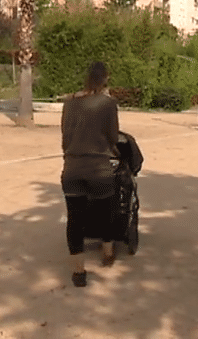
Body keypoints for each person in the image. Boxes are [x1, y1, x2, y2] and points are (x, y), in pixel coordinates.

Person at [61, 61, 119, 287]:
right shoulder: (108, 104)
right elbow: (113, 136)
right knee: (106, 210)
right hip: (98, 168)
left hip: (72, 168)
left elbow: (65, 136)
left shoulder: (69, 103)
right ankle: (107, 253)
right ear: (105, 78)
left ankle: (78, 272)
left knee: (74, 219)